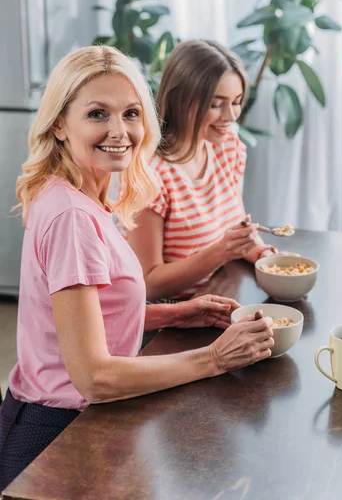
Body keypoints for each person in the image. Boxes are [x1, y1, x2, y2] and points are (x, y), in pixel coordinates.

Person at [0, 46, 274, 493]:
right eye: (97, 114)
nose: (120, 131)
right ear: (59, 125)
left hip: (56, 417)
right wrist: (215, 358)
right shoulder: (73, 218)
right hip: (58, 435)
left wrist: (178, 314)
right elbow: (96, 378)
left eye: (130, 113)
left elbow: (81, 321)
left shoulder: (77, 196)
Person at [128, 40, 281, 302]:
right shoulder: (150, 175)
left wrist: (263, 254)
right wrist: (220, 252)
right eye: (216, 104)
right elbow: (148, 284)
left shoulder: (226, 147)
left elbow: (235, 223)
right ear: (180, 100)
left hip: (218, 294)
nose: (231, 116)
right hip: (170, 324)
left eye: (236, 101)